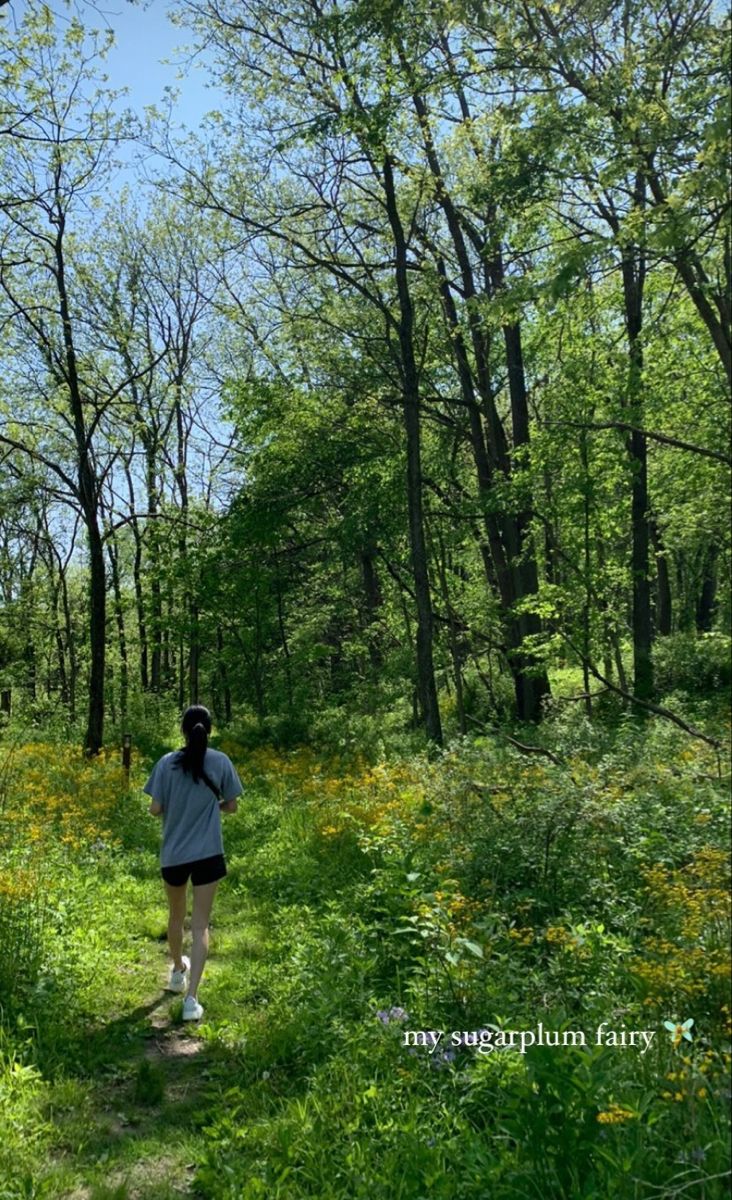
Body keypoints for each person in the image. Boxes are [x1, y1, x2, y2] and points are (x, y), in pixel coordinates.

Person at [144, 705, 243, 1021]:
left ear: (183, 731)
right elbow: (232, 806)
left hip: (174, 854)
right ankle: (191, 1000)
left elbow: (155, 809)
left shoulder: (165, 764)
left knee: (176, 916)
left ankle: (176, 971)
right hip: (208, 853)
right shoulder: (221, 761)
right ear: (209, 730)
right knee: (200, 923)